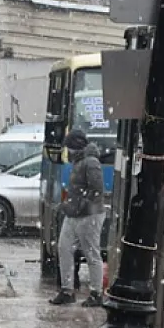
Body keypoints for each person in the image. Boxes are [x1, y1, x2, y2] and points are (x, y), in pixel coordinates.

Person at [50, 129, 105, 307]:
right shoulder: (79, 161)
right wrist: (69, 206)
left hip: (89, 215)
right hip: (74, 214)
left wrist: (80, 205)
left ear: (76, 146)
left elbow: (96, 189)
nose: (68, 151)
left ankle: (96, 293)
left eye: (69, 147)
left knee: (91, 253)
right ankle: (67, 290)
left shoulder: (91, 162)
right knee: (64, 247)